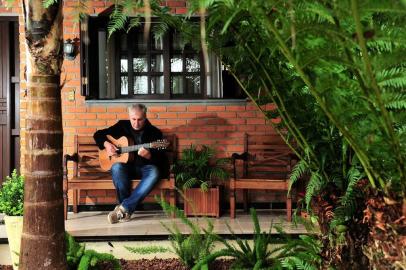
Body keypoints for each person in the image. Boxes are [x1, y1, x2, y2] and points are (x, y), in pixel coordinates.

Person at [93, 104, 164, 224]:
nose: (136, 123)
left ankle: (124, 208)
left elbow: (162, 159)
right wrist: (107, 144)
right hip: (125, 168)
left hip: (144, 168)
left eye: (140, 119)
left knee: (155, 172)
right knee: (116, 167)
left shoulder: (154, 133)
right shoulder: (121, 126)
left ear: (145, 117)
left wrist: (149, 155)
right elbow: (98, 134)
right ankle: (125, 211)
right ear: (129, 117)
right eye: (133, 119)